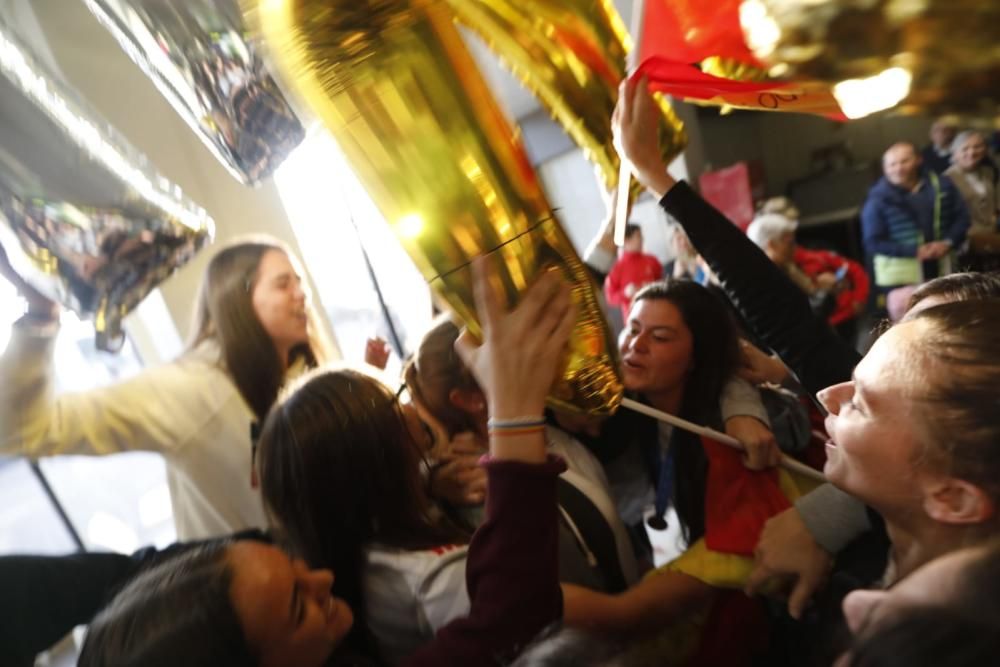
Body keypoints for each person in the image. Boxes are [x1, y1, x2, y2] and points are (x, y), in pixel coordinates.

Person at [77, 259, 575, 667]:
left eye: (296, 568)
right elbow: (507, 616)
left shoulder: (354, 550)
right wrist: (512, 412)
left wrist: (428, 481)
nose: (323, 579)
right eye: (298, 607)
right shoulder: (425, 578)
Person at [0, 236, 329, 540]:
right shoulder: (188, 389)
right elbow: (22, 430)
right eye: (283, 284)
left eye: (299, 281)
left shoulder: (302, 373)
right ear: (236, 300)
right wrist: (40, 316)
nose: (301, 294)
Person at [559, 280, 813, 665]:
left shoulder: (738, 426)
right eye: (632, 327)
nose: (636, 345)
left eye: (660, 337)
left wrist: (625, 609)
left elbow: (740, 544)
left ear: (697, 356)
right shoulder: (634, 408)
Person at [403, 316, 638, 593]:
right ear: (470, 400)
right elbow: (573, 593)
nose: (532, 356)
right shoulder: (483, 489)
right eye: (506, 358)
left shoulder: (547, 420)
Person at [861, 142, 970, 292]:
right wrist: (914, 251)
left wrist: (948, 242)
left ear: (918, 160)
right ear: (885, 169)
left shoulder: (943, 185)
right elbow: (873, 242)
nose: (899, 168)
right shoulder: (876, 200)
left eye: (904, 161)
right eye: (892, 164)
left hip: (945, 270)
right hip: (902, 283)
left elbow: (962, 218)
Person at [746, 211, 869, 341]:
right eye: (790, 243)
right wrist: (826, 291)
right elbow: (807, 319)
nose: (794, 248)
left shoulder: (789, 269)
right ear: (772, 245)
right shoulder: (768, 282)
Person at [944, 130, 1000, 265]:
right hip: (966, 242)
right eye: (965, 148)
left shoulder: (988, 172)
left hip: (991, 235)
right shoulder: (947, 178)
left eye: (977, 147)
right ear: (955, 153)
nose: (972, 152)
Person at [604, 222, 663, 320]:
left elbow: (662, 283)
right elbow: (610, 298)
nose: (642, 239)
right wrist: (626, 293)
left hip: (657, 310)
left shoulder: (652, 260)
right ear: (627, 240)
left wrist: (652, 286)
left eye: (641, 236)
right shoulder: (616, 268)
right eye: (638, 236)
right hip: (634, 319)